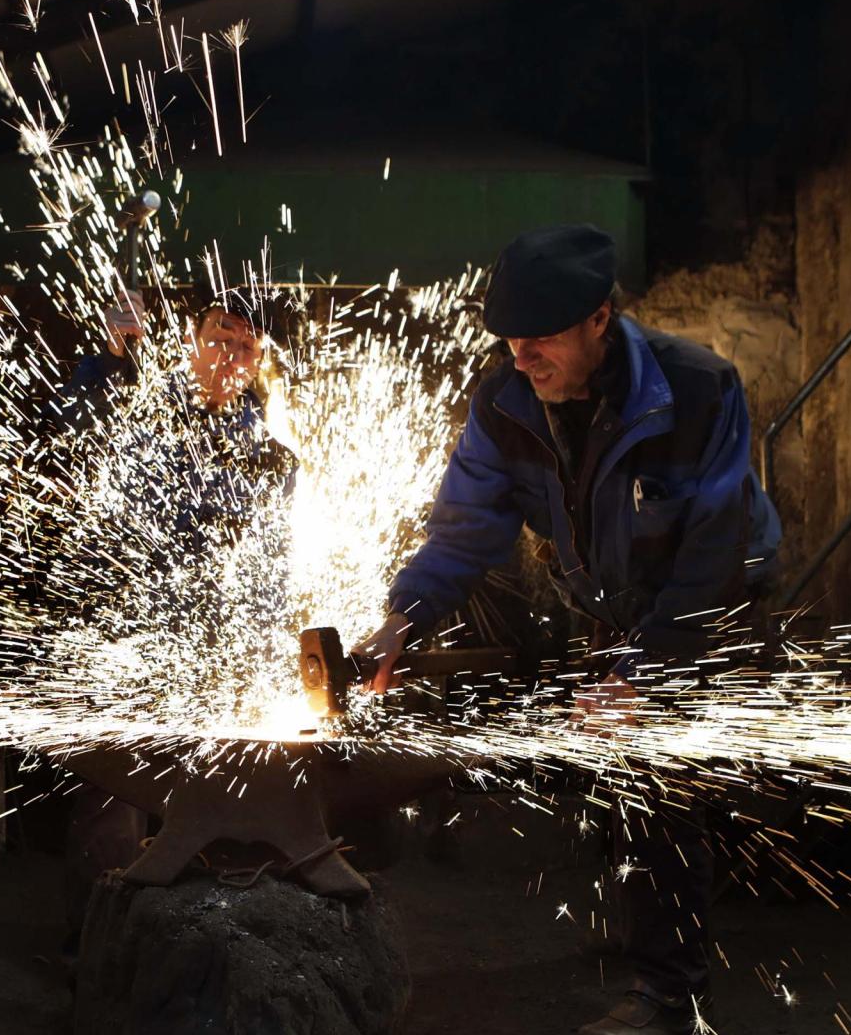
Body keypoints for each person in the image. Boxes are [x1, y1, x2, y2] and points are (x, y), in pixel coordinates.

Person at [354, 224, 780, 1035]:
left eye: (541, 337)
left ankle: (672, 1002)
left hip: (712, 608)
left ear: (600, 319)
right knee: (630, 799)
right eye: (510, 340)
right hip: (617, 607)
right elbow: (465, 530)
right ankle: (663, 951)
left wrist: (645, 675)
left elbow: (714, 553)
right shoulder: (505, 403)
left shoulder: (699, 389)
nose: (523, 357)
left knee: (664, 792)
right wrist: (402, 619)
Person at [56, 288, 299, 941]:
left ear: (257, 361)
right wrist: (110, 358)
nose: (231, 353)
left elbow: (270, 570)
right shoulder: (140, 402)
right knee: (119, 797)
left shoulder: (267, 451)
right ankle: (101, 947)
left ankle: (195, 946)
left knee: (211, 804)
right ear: (192, 342)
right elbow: (78, 426)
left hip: (218, 650)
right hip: (132, 634)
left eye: (246, 345)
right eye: (220, 336)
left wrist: (269, 651)